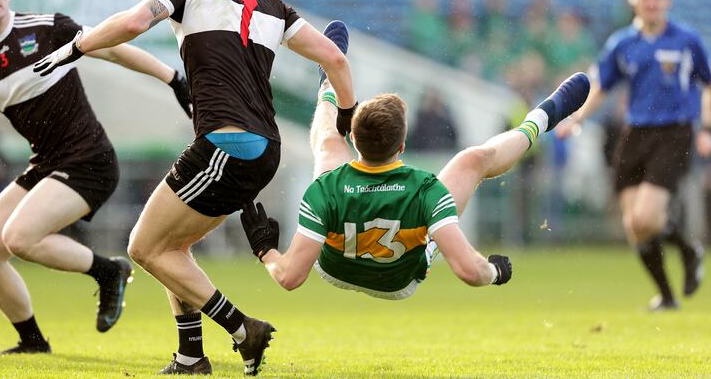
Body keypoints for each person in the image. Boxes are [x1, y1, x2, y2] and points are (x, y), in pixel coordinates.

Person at [32, 0, 356, 376]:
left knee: (143, 248)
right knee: (172, 247)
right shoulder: (271, 3)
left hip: (227, 142)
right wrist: (345, 113)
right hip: (264, 146)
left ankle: (244, 330)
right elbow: (335, 59)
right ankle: (190, 357)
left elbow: (134, 22)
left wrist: (77, 47)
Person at [0, 0, 193, 354]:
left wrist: (172, 77)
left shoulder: (47, 28)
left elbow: (111, 48)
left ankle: (108, 271)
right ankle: (32, 342)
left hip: (89, 159)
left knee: (20, 237)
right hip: (46, 165)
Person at [240, 22, 590, 303]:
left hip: (334, 269)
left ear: (356, 140)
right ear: (403, 145)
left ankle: (329, 83)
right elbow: (470, 271)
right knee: (473, 160)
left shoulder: (324, 190)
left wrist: (265, 249)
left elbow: (288, 277)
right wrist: (495, 271)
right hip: (401, 281)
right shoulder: (425, 189)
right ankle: (541, 119)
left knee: (328, 141)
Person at [556, 0, 709, 311]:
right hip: (635, 133)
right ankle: (668, 295)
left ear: (668, 1)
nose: (652, 3)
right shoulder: (622, 43)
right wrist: (577, 118)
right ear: (634, 1)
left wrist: (708, 129)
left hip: (675, 131)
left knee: (645, 218)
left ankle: (688, 249)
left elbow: (708, 83)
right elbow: (602, 87)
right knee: (634, 226)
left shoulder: (686, 39)